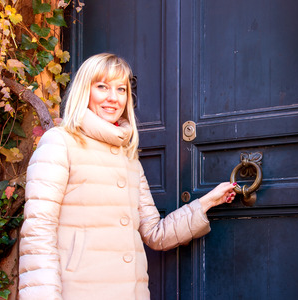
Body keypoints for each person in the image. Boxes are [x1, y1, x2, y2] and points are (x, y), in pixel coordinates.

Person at [18, 53, 236, 300]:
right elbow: (38, 231)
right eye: (102, 87)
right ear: (84, 91)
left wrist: (207, 202)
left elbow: (155, 233)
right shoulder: (60, 142)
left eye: (121, 89)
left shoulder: (128, 157)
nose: (113, 98)